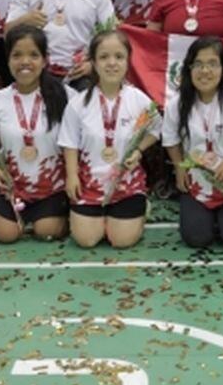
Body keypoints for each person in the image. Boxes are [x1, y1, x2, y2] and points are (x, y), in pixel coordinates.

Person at [57, 30, 160, 249]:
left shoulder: (139, 100)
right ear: (93, 62)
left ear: (128, 61)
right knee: (86, 240)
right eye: (104, 57)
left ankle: (137, 207)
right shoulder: (78, 103)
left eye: (119, 57)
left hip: (127, 185)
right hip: (89, 183)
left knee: (122, 242)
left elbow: (156, 130)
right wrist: (72, 176)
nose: (111, 63)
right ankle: (98, 217)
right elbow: (69, 142)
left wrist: (139, 150)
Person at [162, 37, 223, 250]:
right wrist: (179, 168)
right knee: (196, 239)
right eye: (198, 64)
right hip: (198, 182)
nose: (205, 71)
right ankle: (210, 219)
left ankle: (222, 219)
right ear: (189, 68)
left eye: (212, 64)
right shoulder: (177, 104)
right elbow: (170, 139)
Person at [0, 25, 71, 242]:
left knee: (46, 232)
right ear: (8, 59)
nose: (25, 62)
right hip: (15, 188)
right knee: (4, 236)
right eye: (17, 55)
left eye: (33, 55)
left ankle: (63, 214)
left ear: (45, 59)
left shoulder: (65, 95)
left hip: (52, 188)